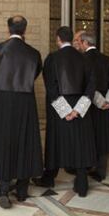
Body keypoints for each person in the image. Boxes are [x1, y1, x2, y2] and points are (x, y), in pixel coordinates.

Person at [0, 16, 43, 209]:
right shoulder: (35, 54)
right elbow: (35, 73)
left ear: (8, 29)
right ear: (25, 30)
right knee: (25, 141)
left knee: (2, 142)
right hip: (25, 102)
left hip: (0, 101)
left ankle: (3, 190)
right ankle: (22, 191)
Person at [33, 26, 96, 197]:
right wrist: (78, 110)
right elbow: (91, 87)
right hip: (80, 108)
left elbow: (51, 87)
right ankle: (82, 183)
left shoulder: (52, 58)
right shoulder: (85, 58)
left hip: (59, 108)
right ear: (72, 40)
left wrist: (65, 111)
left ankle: (49, 178)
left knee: (55, 142)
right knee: (80, 143)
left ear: (58, 39)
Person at [80, 32, 109, 181]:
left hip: (89, 103)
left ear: (85, 43)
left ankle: (89, 166)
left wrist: (98, 100)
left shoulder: (82, 59)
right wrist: (107, 101)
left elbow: (86, 84)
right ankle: (101, 171)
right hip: (105, 105)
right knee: (103, 135)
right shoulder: (108, 59)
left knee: (90, 135)